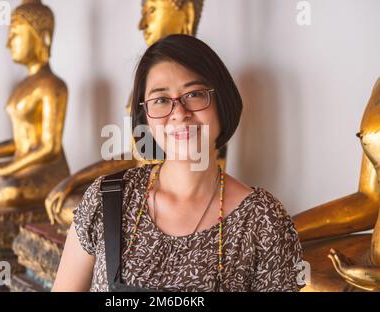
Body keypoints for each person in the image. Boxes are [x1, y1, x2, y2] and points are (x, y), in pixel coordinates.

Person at [53, 34, 304, 292]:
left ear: (221, 103)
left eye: (194, 94)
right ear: (145, 117)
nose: (179, 113)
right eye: (161, 100)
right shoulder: (107, 198)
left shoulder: (263, 220)